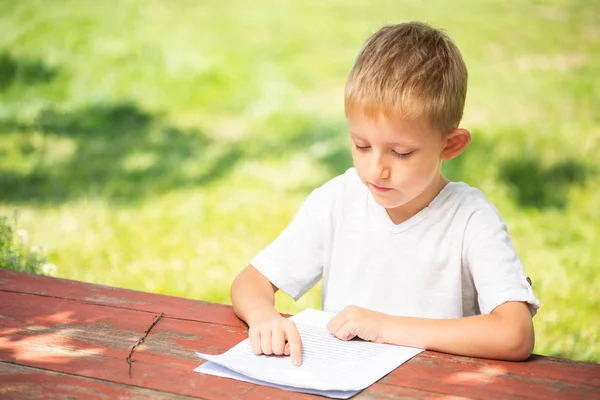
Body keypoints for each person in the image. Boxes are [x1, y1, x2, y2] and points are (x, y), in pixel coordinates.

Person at [230, 21, 540, 366]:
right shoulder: (338, 201)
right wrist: (264, 317)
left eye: (401, 153)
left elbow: (515, 334)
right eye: (362, 145)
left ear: (450, 145)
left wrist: (385, 327)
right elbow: (249, 282)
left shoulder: (471, 220)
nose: (375, 169)